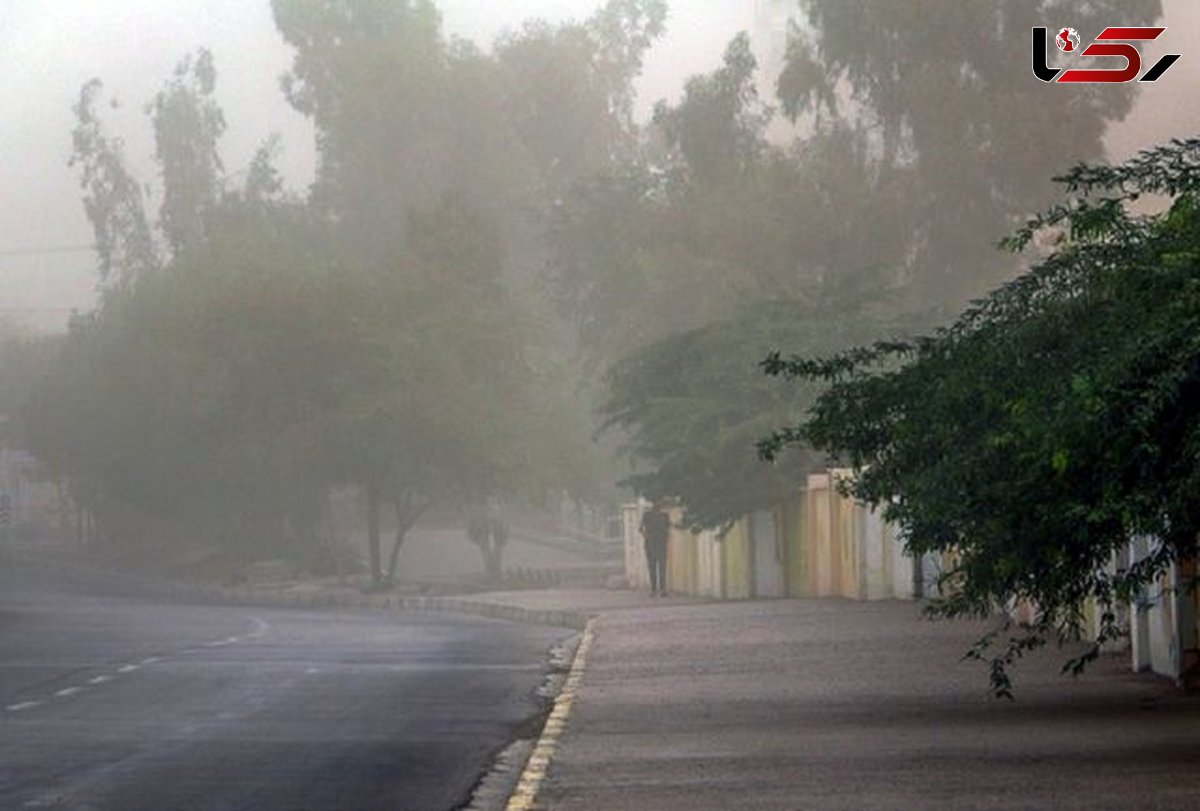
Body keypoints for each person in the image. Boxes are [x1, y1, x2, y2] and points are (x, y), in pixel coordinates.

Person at [639, 500, 671, 597]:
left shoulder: (649, 515)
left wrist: (646, 535)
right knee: (659, 567)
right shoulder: (662, 516)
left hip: (654, 543)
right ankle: (660, 589)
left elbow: (640, 528)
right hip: (657, 543)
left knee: (655, 567)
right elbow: (641, 528)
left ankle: (657, 590)